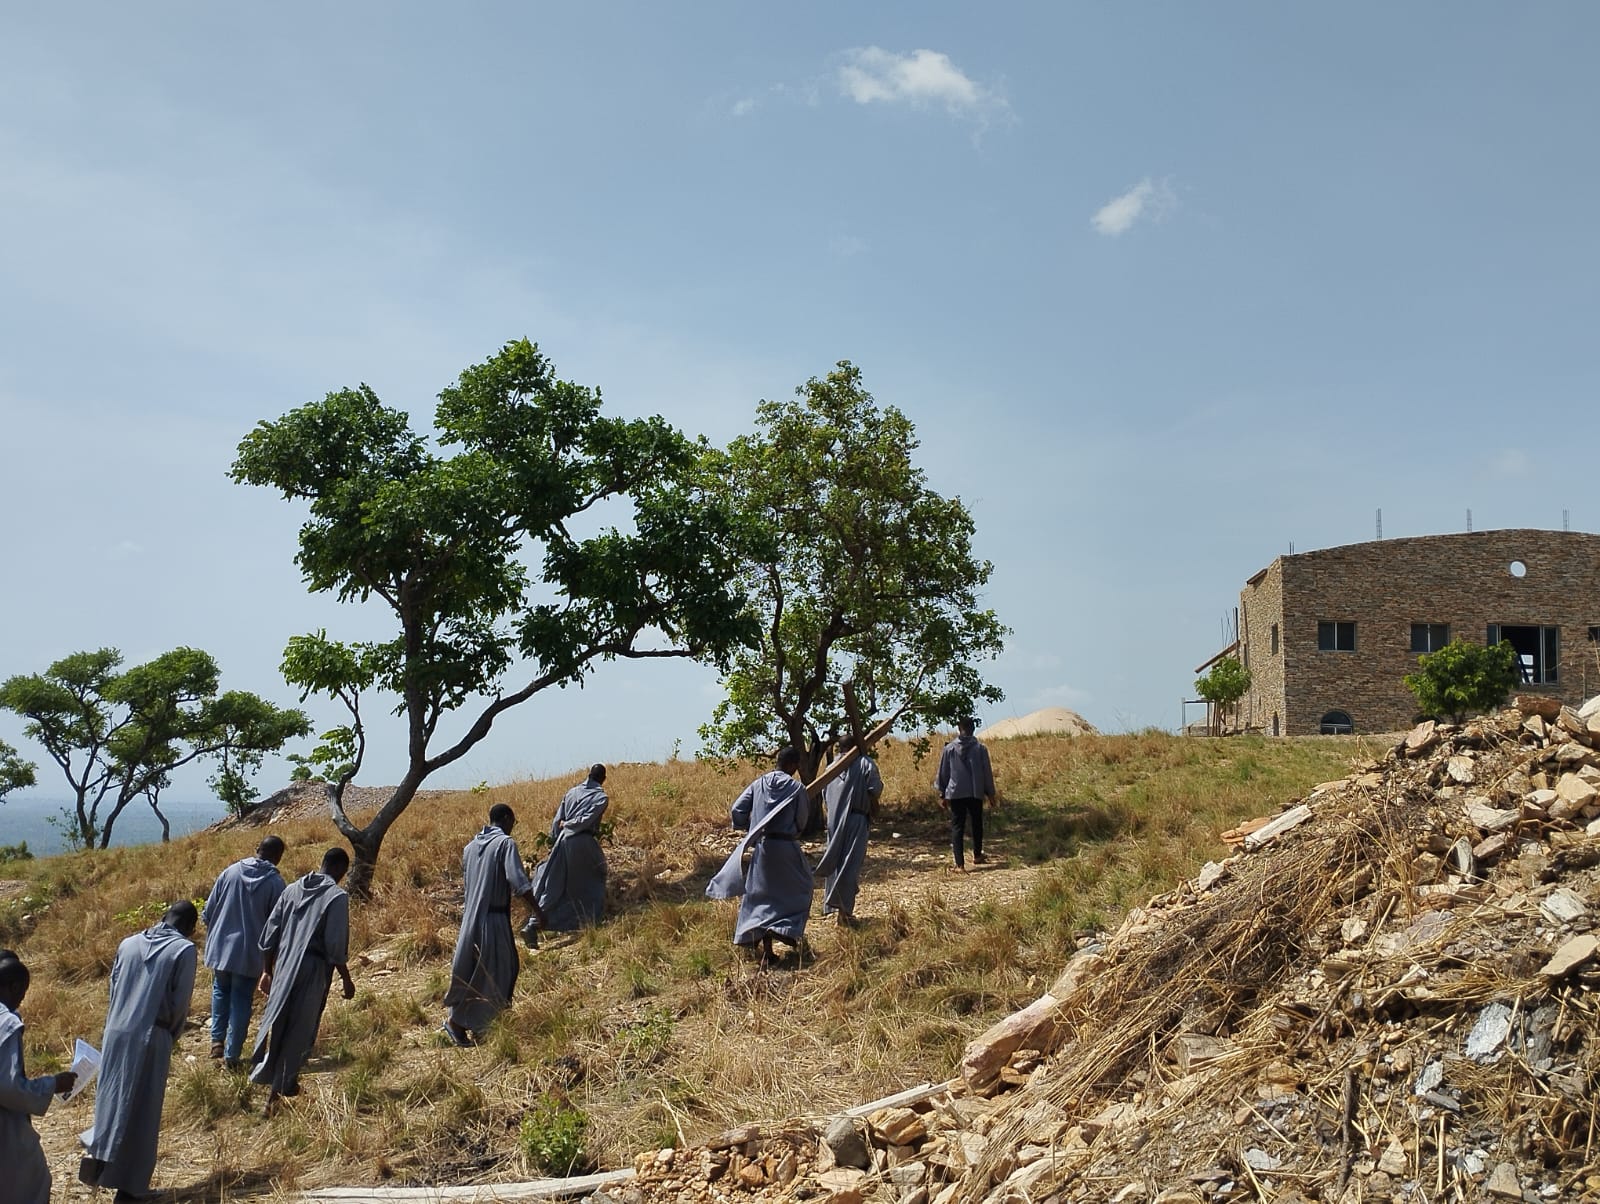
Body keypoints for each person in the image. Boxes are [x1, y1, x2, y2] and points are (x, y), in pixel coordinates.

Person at [80, 901, 198, 1203]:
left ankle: (99, 1162)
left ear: (163, 917)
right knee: (143, 1111)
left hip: (116, 1031)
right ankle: (130, 1187)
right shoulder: (183, 950)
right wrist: (170, 1034)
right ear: (190, 928)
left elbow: (113, 987)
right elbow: (180, 1001)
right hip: (152, 1033)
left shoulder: (128, 943)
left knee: (112, 1101)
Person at [249, 847, 354, 1112]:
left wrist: (266, 970)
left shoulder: (292, 889)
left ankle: (276, 1079)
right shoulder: (337, 897)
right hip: (312, 967)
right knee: (300, 1028)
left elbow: (269, 934)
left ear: (322, 863)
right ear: (342, 870)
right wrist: (346, 979)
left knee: (278, 1024)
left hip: (283, 964)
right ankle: (277, 1093)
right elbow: (334, 946)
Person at [443, 804, 539, 1046]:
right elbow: (517, 881)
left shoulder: (470, 848)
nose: (512, 827)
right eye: (513, 822)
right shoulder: (505, 844)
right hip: (494, 919)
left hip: (470, 919)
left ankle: (480, 1023)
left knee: (475, 971)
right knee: (504, 969)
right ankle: (464, 1022)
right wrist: (538, 911)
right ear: (506, 818)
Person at [201, 835, 287, 1068]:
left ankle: (216, 1041)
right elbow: (278, 925)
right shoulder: (276, 884)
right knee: (241, 1000)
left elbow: (207, 913)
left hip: (221, 949)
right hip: (251, 954)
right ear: (278, 857)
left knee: (220, 991)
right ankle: (232, 1054)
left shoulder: (229, 872)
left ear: (257, 848)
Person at [724, 746, 815, 963]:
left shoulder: (759, 784)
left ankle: (766, 949)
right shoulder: (797, 788)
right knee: (803, 886)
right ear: (793, 765)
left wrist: (752, 827)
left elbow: (737, 809)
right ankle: (784, 928)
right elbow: (802, 820)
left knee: (761, 896)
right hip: (786, 846)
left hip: (763, 847)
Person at [1, 954, 76, 1204]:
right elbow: (9, 1089)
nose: (22, 998)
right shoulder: (7, 1022)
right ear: (14, 986)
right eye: (22, 991)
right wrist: (53, 1084)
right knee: (32, 1183)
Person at [531, 765, 609, 931]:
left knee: (553, 883)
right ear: (603, 778)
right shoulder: (601, 797)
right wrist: (569, 825)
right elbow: (586, 820)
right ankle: (586, 920)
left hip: (561, 840)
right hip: (581, 841)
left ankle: (533, 923)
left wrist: (556, 838)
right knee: (593, 879)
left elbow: (556, 821)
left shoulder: (572, 792)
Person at [815, 747, 883, 926]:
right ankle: (844, 912)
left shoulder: (831, 767)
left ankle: (838, 909)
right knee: (850, 864)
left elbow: (824, 794)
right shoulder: (864, 763)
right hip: (856, 818)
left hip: (834, 820)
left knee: (836, 861)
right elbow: (875, 789)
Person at [935, 716, 998, 871]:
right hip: (975, 791)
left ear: (958, 728)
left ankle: (959, 864)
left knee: (957, 827)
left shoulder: (949, 749)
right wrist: (991, 794)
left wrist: (942, 794)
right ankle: (977, 855)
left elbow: (943, 773)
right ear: (973, 729)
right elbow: (986, 773)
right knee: (977, 823)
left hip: (955, 792)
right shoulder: (980, 749)